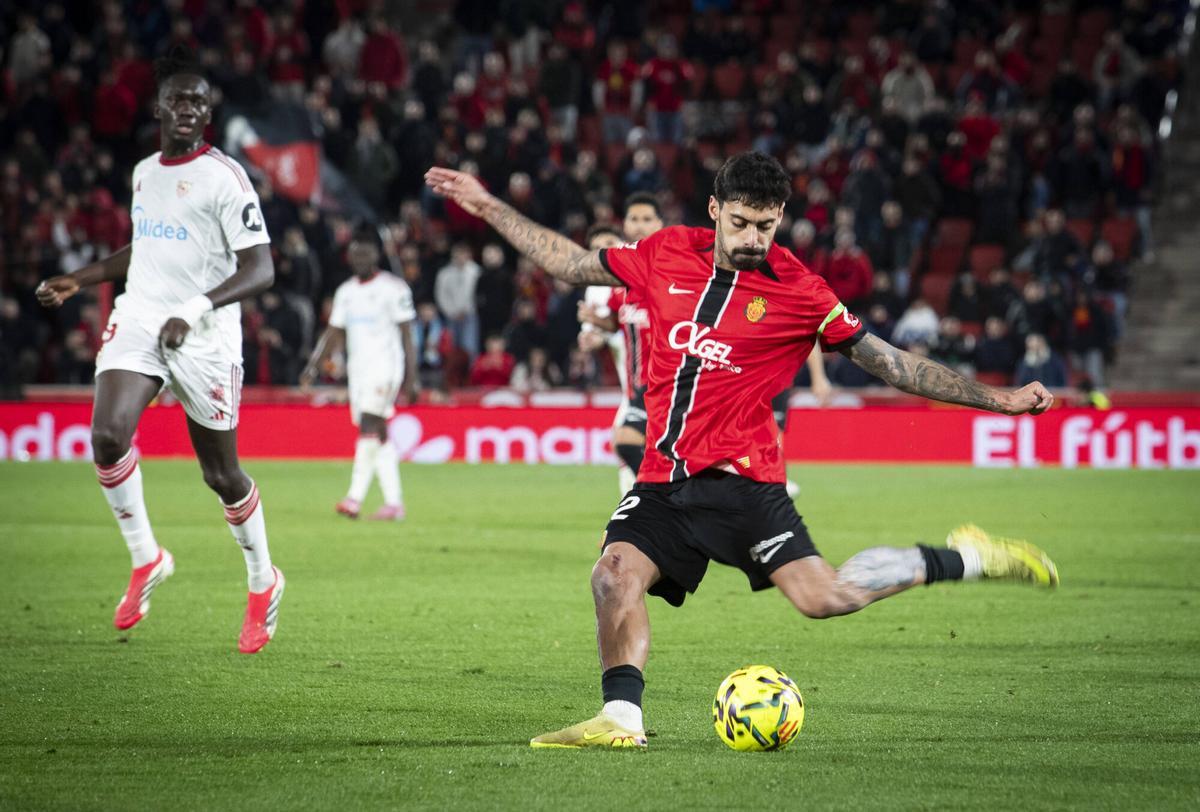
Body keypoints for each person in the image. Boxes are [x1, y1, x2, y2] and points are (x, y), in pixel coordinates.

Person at [426, 151, 1058, 751]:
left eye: (767, 224)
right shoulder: (664, 253)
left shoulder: (802, 292)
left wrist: (997, 399)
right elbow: (567, 262)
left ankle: (964, 559)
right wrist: (486, 205)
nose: (755, 237)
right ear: (714, 209)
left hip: (744, 484)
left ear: (780, 218)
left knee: (824, 598)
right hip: (663, 480)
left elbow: (893, 364)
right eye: (742, 222)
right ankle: (621, 718)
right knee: (612, 575)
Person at [35, 48, 283, 654]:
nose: (188, 109)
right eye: (178, 98)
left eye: (199, 101)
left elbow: (262, 269)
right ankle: (147, 558)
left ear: (208, 114)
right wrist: (81, 278)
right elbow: (144, 250)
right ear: (158, 108)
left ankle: (262, 579)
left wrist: (194, 309)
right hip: (143, 315)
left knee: (220, 474)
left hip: (205, 333)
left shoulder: (225, 177)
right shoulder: (146, 170)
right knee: (107, 436)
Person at [301, 228, 418, 521]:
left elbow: (407, 335)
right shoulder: (346, 292)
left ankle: (354, 498)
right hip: (359, 372)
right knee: (378, 434)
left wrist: (411, 378)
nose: (359, 259)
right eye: (354, 254)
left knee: (368, 424)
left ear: (376, 255)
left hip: (386, 369)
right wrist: (314, 365)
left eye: (364, 254)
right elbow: (333, 332)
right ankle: (394, 503)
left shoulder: (395, 288)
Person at [577, 193, 663, 494]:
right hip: (638, 387)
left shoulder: (673, 269)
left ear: (660, 224)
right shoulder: (621, 282)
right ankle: (651, 507)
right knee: (628, 445)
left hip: (671, 385)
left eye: (646, 219)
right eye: (634, 219)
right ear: (624, 224)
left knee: (630, 444)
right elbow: (616, 321)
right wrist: (594, 326)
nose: (639, 226)